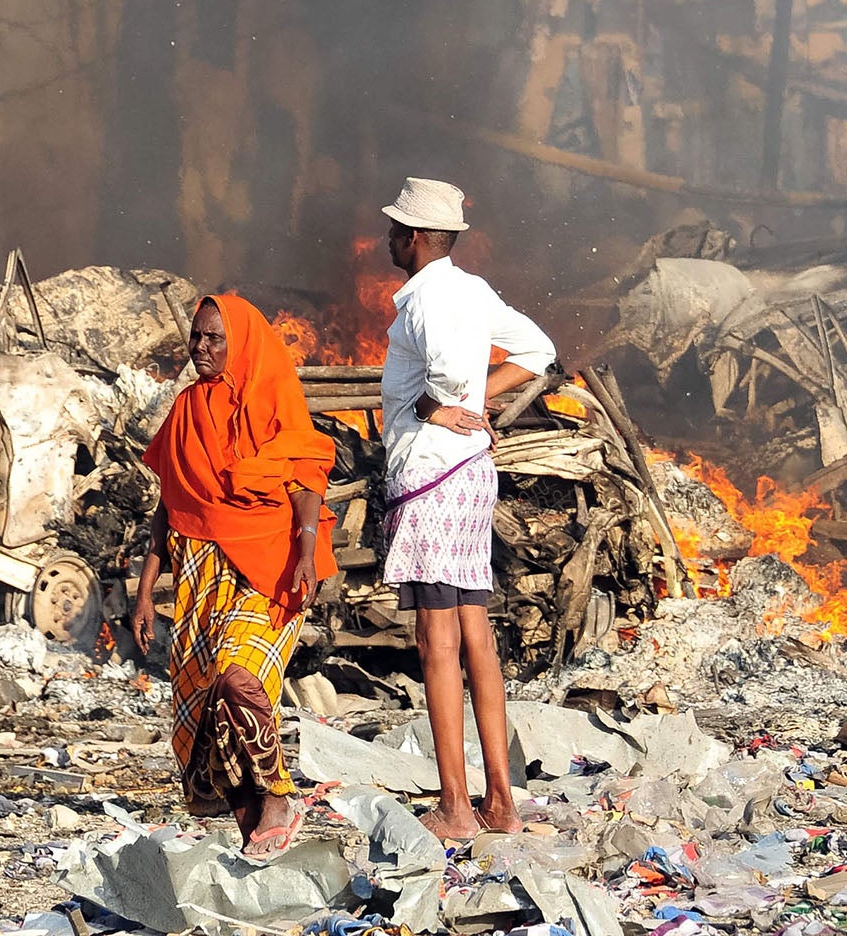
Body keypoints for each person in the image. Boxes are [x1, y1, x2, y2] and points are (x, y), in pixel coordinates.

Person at [377, 176, 557, 842]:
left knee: (436, 641)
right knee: (475, 634)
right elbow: (539, 352)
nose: (388, 239)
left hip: (432, 474)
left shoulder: (428, 301)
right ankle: (501, 802)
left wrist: (440, 406)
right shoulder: (475, 290)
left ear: (420, 238)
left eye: (397, 230)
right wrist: (481, 404)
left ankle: (456, 807)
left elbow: (443, 381)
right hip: (468, 473)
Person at [131, 293, 337, 856]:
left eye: (213, 338)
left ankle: (277, 797)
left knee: (237, 677)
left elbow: (305, 478)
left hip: (266, 569)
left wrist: (307, 552)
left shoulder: (273, 396)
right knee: (203, 705)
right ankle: (254, 823)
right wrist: (146, 592)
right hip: (198, 575)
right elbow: (167, 506)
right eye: (196, 337)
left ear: (240, 341)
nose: (200, 348)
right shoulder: (185, 410)